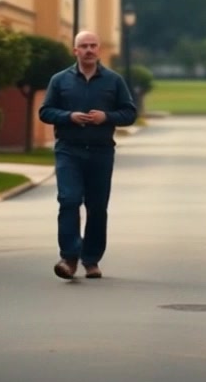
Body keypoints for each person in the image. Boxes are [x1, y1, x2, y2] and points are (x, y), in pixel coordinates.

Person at [39, 29, 137, 280]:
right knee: (69, 200)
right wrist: (68, 117)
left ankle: (91, 260)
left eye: (93, 45)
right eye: (84, 46)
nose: (89, 50)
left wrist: (107, 117)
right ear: (75, 51)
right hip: (68, 150)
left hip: (101, 152)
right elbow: (46, 111)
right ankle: (69, 258)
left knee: (97, 207)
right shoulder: (59, 80)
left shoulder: (113, 81)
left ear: (99, 49)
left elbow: (129, 113)